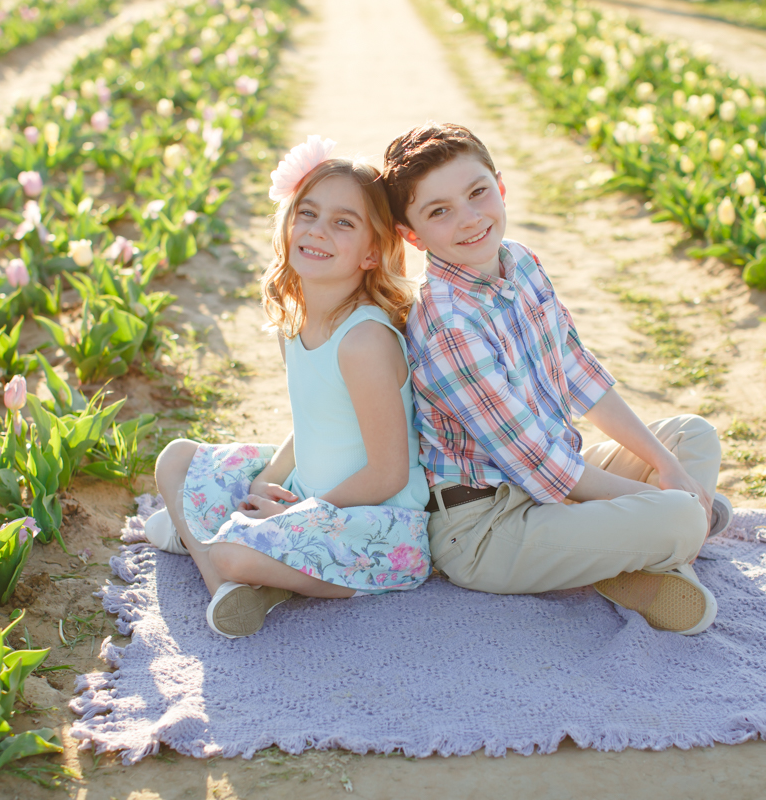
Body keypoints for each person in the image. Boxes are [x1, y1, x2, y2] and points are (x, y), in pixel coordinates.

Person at [381, 122, 731, 635]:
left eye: (478, 193)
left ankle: (619, 559)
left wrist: (665, 466)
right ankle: (650, 544)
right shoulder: (448, 325)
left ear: (500, 186)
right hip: (488, 527)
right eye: (440, 212)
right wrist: (664, 501)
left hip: (554, 484)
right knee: (679, 515)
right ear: (412, 235)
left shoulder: (520, 263)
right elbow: (542, 465)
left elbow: (578, 372)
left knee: (691, 436)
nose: (470, 218)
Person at [148, 136, 432, 639]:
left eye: (344, 222)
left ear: (373, 252)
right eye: (308, 213)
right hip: (308, 497)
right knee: (175, 457)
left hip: (374, 527)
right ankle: (236, 584)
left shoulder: (364, 340)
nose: (318, 231)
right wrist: (266, 483)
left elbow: (388, 474)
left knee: (232, 548)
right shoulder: (295, 324)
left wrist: (299, 512)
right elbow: (311, 427)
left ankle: (222, 566)